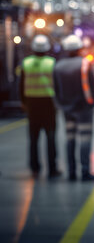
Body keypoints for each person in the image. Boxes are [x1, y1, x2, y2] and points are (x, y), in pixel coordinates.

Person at [53, 34, 94, 181]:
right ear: (80, 48)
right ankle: (85, 172)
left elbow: (55, 89)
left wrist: (62, 105)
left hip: (66, 109)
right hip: (84, 109)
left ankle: (71, 172)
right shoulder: (85, 64)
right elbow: (93, 86)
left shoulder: (58, 66)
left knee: (70, 139)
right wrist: (93, 103)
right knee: (85, 139)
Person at [20, 35, 61, 179]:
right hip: (48, 104)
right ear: (46, 48)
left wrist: (23, 102)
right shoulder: (52, 63)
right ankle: (52, 168)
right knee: (50, 137)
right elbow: (57, 85)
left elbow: (21, 85)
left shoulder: (26, 63)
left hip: (31, 103)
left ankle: (35, 168)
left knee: (33, 138)